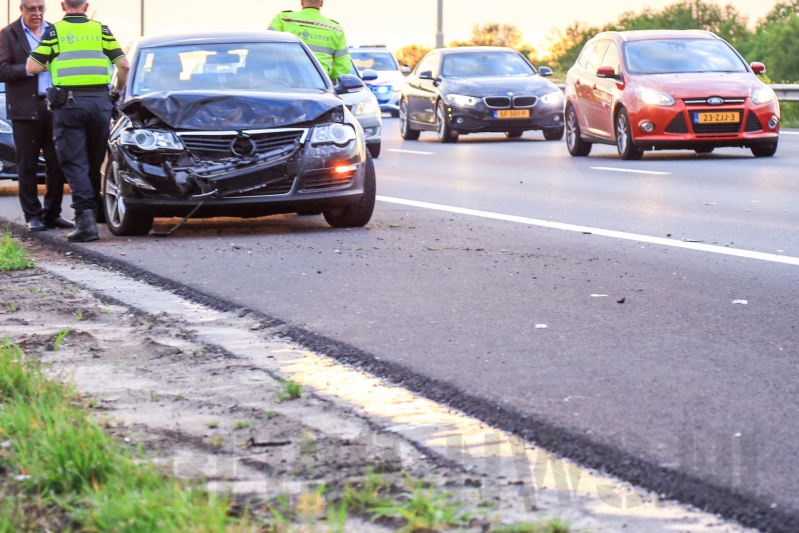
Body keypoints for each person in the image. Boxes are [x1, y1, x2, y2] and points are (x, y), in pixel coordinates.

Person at [26, 0, 129, 242]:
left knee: (74, 164)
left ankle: (85, 222)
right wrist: (115, 92)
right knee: (94, 162)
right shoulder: (101, 30)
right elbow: (123, 65)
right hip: (100, 104)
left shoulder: (55, 32)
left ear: (63, 5)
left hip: (69, 106)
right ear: (86, 5)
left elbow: (32, 66)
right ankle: (96, 213)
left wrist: (53, 63)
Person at [0, 0, 72, 232]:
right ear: (21, 9)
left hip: (54, 107)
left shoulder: (54, 31)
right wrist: (31, 69)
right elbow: (2, 70)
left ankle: (52, 213)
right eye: (32, 9)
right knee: (27, 164)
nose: (37, 13)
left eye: (41, 8)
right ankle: (32, 215)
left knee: (56, 163)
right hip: (24, 108)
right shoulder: (8, 34)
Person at [268, 0, 351, 83]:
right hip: (319, 86)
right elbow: (343, 67)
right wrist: (330, 81)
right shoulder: (335, 29)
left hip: (284, 84)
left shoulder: (283, 19)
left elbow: (266, 50)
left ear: (302, 2)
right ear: (322, 3)